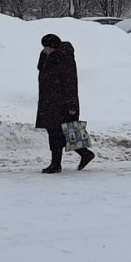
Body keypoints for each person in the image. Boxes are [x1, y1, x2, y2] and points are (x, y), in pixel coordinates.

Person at [36, 33, 95, 174]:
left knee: (66, 130)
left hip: (62, 102)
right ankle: (83, 155)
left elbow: (70, 82)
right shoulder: (51, 56)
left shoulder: (65, 58)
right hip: (51, 101)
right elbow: (41, 69)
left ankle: (57, 164)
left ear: (53, 46)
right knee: (59, 131)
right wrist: (45, 56)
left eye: (46, 48)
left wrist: (72, 104)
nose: (44, 50)